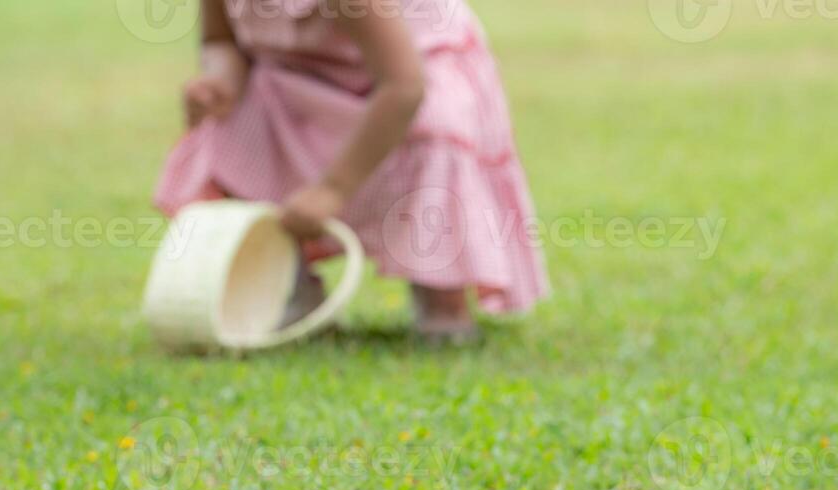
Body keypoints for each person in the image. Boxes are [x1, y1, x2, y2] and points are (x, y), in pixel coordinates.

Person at [154, 0, 548, 343]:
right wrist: (220, 81)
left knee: (433, 135)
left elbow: (404, 87)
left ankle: (441, 293)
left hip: (411, 71)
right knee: (238, 123)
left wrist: (333, 189)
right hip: (298, 73)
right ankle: (285, 278)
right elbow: (221, 41)